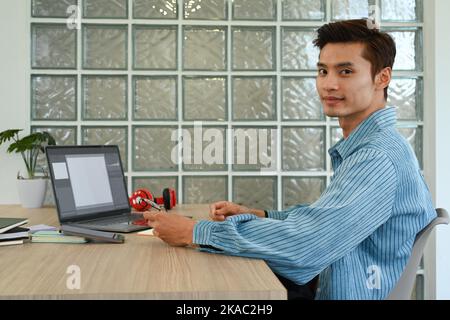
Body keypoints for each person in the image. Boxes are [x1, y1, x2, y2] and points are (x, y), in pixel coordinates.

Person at [144, 19, 436, 300]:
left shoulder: (376, 157)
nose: (329, 84)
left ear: (382, 77)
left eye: (345, 71)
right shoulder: (375, 145)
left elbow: (309, 244)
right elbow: (324, 219)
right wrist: (261, 215)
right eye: (323, 71)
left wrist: (194, 231)